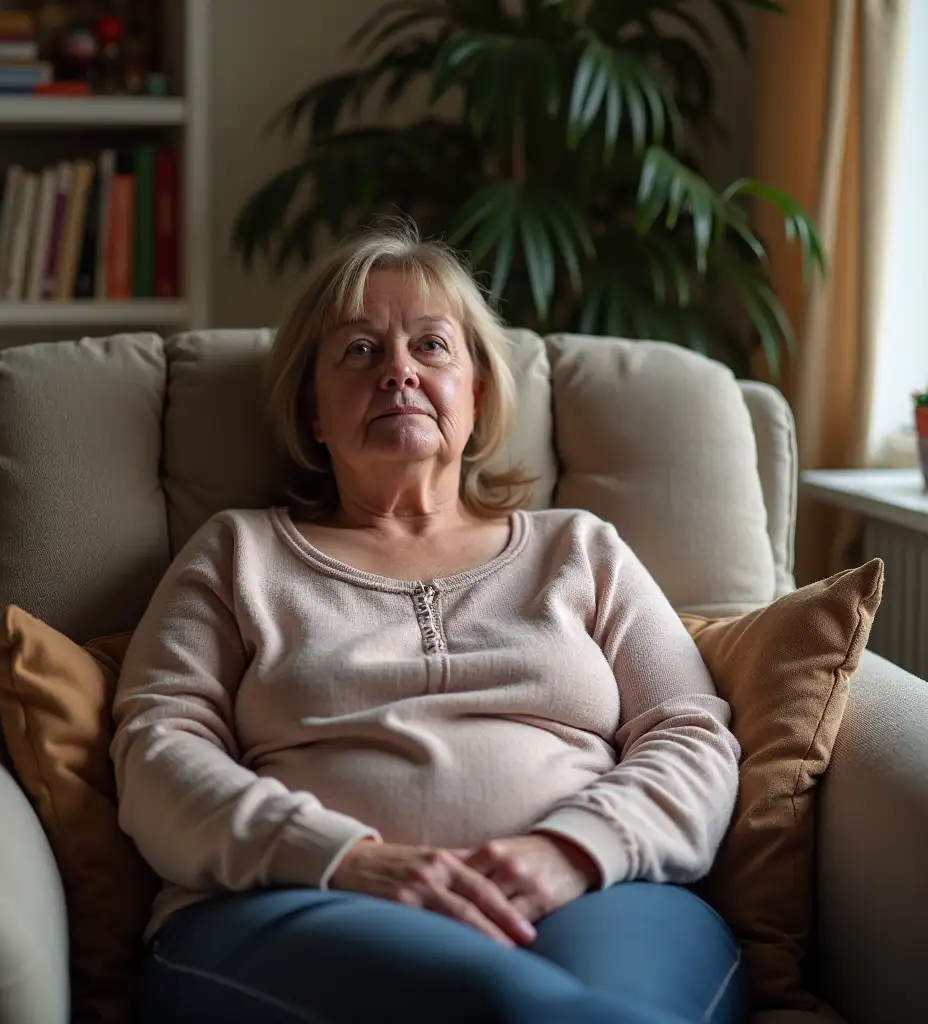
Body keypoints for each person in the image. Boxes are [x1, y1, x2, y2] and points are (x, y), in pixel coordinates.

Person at [112, 223, 748, 1024]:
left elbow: (690, 732)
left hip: (598, 894)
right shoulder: (240, 552)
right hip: (297, 903)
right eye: (359, 352)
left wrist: (571, 851)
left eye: (431, 347)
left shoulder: (580, 548)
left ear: (476, 394)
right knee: (503, 1004)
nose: (399, 373)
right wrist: (343, 858)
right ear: (312, 409)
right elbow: (157, 749)